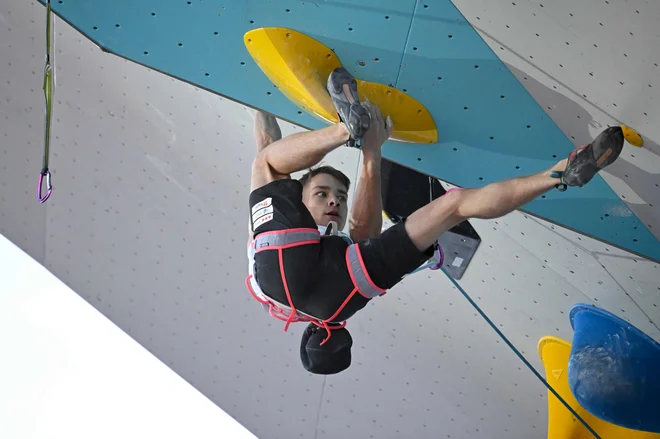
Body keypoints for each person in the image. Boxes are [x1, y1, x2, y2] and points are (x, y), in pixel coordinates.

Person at [246, 67, 625, 375]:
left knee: (456, 205)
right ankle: (346, 128)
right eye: (324, 195)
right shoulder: (272, 296)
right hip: (282, 280)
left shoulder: (341, 300)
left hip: (348, 293)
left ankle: (559, 174)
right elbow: (267, 153)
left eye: (337, 197)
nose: (332, 202)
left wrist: (373, 152)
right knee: (265, 163)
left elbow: (363, 235)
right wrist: (254, 95)